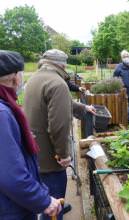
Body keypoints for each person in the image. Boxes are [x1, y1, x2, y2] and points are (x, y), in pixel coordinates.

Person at [24, 49, 96, 220]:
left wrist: (83, 107)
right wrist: (63, 155)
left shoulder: (35, 78)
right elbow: (58, 127)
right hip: (50, 155)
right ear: (61, 64)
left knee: (44, 193)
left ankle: (55, 207)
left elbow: (58, 101)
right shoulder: (58, 84)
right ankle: (55, 211)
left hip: (34, 148)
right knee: (54, 198)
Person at [0, 50, 62, 220]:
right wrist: (43, 201)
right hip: (10, 210)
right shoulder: (2, 114)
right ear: (15, 78)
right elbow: (10, 175)